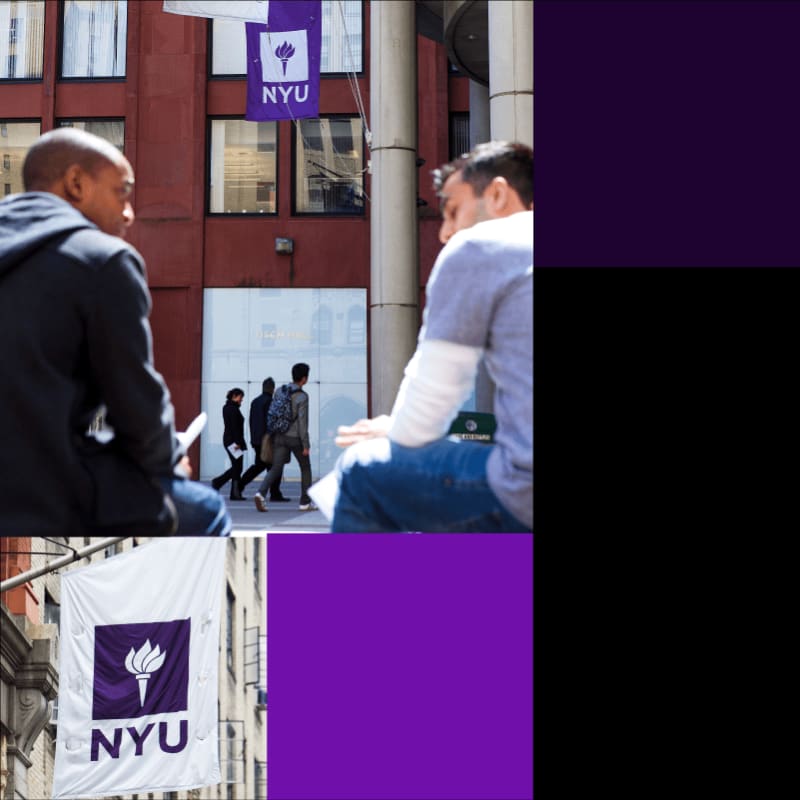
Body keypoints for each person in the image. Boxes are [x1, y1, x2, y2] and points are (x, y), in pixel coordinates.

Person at [0, 127, 231, 536]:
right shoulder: (104, 261)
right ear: (76, 184)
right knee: (204, 508)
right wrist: (169, 456)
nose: (129, 213)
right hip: (36, 489)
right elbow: (136, 407)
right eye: (122, 191)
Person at [331, 141, 533, 532]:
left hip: (524, 491)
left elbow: (424, 420)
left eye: (453, 211)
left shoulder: (481, 246)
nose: (445, 232)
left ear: (497, 194)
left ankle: (349, 595)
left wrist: (396, 427)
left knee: (361, 472)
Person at [254, 362, 317, 512]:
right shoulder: (302, 396)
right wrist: (306, 445)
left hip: (279, 435)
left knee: (275, 468)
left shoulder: (280, 391)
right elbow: (302, 423)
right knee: (305, 468)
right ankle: (305, 503)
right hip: (295, 438)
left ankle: (260, 493)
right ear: (304, 379)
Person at [238, 377, 290, 501]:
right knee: (276, 465)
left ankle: (239, 485)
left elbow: (251, 421)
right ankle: (275, 493)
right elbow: (271, 422)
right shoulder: (270, 402)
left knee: (260, 466)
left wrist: (253, 439)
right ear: (272, 389)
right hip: (268, 440)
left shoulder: (255, 402)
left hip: (256, 439)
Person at [211, 388, 247, 500]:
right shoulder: (233, 409)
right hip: (233, 442)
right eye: (241, 397)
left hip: (229, 440)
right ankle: (231, 490)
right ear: (235, 396)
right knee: (237, 466)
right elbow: (235, 427)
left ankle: (219, 483)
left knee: (237, 466)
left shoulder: (227, 408)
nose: (242, 400)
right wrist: (238, 442)